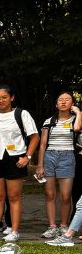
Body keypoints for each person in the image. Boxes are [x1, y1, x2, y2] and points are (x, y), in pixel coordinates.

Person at [0, 84, 40, 242]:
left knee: (14, 196)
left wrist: (27, 156)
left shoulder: (22, 114)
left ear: (12, 98)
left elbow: (35, 136)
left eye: (4, 97)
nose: (0, 100)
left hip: (15, 158)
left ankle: (14, 231)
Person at [36, 91, 82, 239]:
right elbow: (42, 144)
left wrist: (78, 112)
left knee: (66, 195)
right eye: (60, 100)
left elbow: (77, 128)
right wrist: (40, 165)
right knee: (50, 194)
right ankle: (52, 227)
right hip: (50, 156)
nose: (63, 102)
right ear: (56, 104)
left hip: (68, 156)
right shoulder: (49, 121)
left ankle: (63, 225)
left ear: (72, 104)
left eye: (67, 100)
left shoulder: (76, 120)